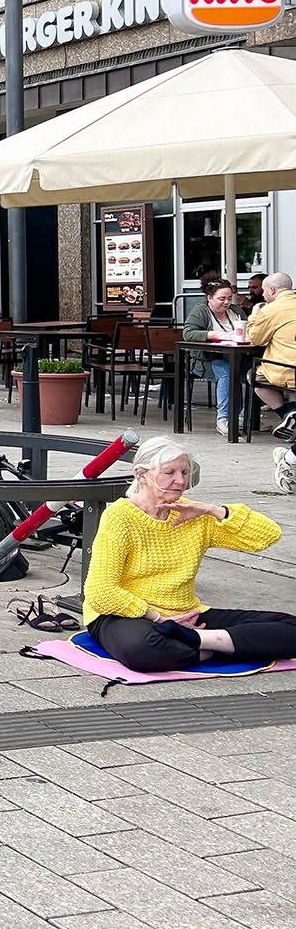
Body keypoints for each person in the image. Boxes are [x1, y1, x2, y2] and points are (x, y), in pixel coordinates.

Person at [82, 437, 296, 672]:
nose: (180, 480)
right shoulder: (120, 516)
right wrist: (158, 618)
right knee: (141, 649)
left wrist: (212, 510)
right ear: (142, 475)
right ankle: (218, 647)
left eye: (185, 472)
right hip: (127, 615)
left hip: (186, 613)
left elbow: (268, 535)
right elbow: (101, 592)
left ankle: (197, 641)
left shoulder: (192, 513)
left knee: (290, 629)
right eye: (169, 472)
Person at [183, 277, 249, 438]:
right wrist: (213, 334)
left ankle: (246, 417)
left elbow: (249, 327)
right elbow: (188, 333)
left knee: (255, 374)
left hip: (237, 357)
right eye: (221, 298)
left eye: (229, 298)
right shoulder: (200, 311)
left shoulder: (236, 311)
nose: (226, 302)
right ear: (209, 298)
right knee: (227, 372)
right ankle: (223, 419)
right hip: (206, 359)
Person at [247, 272, 296, 441]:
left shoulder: (270, 310)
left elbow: (256, 338)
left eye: (264, 290)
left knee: (253, 376)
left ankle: (287, 415)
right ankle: (292, 418)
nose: (263, 295)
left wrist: (254, 315)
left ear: (272, 290)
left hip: (287, 368)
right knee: (292, 386)